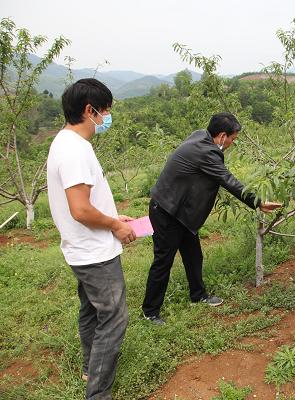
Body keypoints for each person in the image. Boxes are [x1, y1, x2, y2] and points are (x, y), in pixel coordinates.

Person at [142, 112, 281, 325]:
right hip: (166, 211)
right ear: (223, 136)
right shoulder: (207, 152)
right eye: (233, 139)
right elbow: (228, 180)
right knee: (163, 261)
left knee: (193, 255)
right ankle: (150, 312)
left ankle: (198, 295)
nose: (233, 143)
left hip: (181, 211)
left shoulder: (200, 136)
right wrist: (258, 201)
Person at [47, 78, 136, 399]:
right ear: (90, 110)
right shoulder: (74, 151)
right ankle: (98, 393)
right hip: (94, 253)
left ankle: (89, 366)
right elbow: (81, 210)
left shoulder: (65, 142)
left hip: (81, 249)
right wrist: (114, 225)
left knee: (91, 311)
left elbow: (86, 202)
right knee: (114, 318)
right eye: (106, 111)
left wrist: (115, 215)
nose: (107, 117)